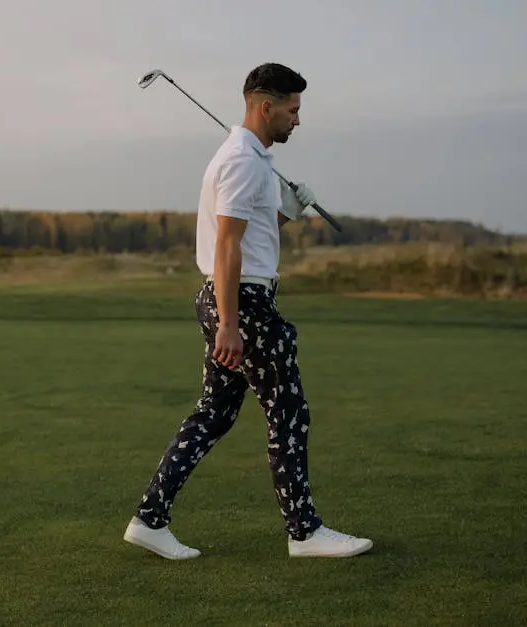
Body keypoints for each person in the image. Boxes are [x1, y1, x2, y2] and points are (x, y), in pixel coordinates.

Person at [122, 62, 373, 560]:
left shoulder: (252, 159)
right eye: (293, 110)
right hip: (243, 302)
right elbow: (227, 248)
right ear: (266, 106)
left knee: (214, 413)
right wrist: (231, 325)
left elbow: (254, 231)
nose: (297, 120)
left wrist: (290, 212)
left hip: (236, 298)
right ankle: (304, 531)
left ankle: (150, 519)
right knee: (288, 410)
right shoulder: (242, 159)